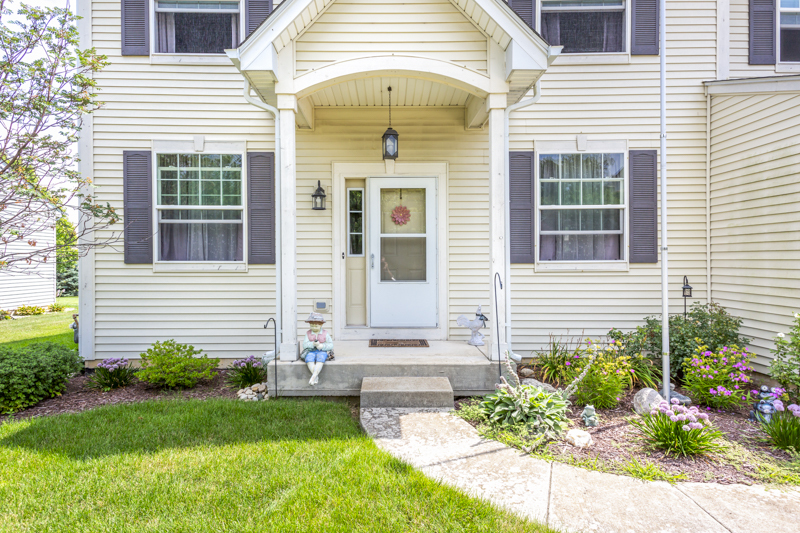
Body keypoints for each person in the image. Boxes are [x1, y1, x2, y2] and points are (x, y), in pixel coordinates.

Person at [301, 312, 333, 386]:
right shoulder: (308, 333)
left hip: (321, 351)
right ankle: (315, 376)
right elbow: (304, 345)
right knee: (309, 358)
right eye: (312, 326)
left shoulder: (325, 333)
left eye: (316, 326)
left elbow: (331, 345)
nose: (314, 328)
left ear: (321, 325)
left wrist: (322, 346)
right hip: (310, 351)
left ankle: (314, 376)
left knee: (321, 358)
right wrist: (312, 344)